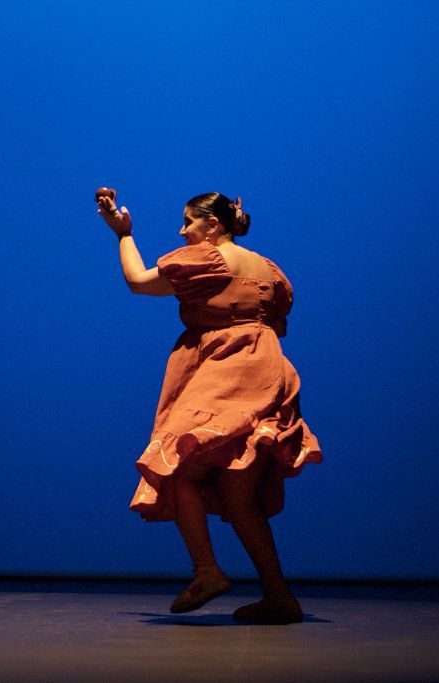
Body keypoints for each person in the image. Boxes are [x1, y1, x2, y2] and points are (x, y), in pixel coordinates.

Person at [95, 188, 321, 624]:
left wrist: (123, 234)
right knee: (241, 498)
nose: (182, 231)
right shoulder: (269, 269)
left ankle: (206, 571)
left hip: (228, 371)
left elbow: (139, 282)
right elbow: (278, 322)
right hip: (269, 370)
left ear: (212, 225)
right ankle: (279, 596)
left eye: (188, 223)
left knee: (176, 464)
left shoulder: (208, 259)